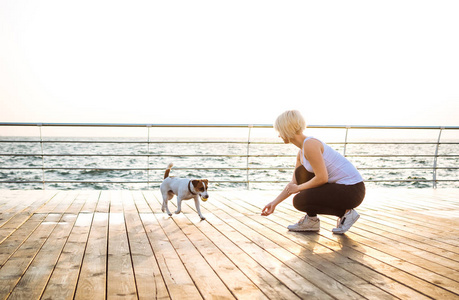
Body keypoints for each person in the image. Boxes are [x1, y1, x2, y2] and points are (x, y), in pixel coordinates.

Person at [261, 110, 365, 234]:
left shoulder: (310, 144)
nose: (279, 135)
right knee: (301, 174)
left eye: (279, 131)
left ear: (286, 129)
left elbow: (322, 178)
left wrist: (298, 187)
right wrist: (274, 203)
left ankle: (346, 214)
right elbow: (293, 183)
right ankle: (311, 220)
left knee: (299, 200)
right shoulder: (301, 152)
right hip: (341, 189)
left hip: (352, 190)